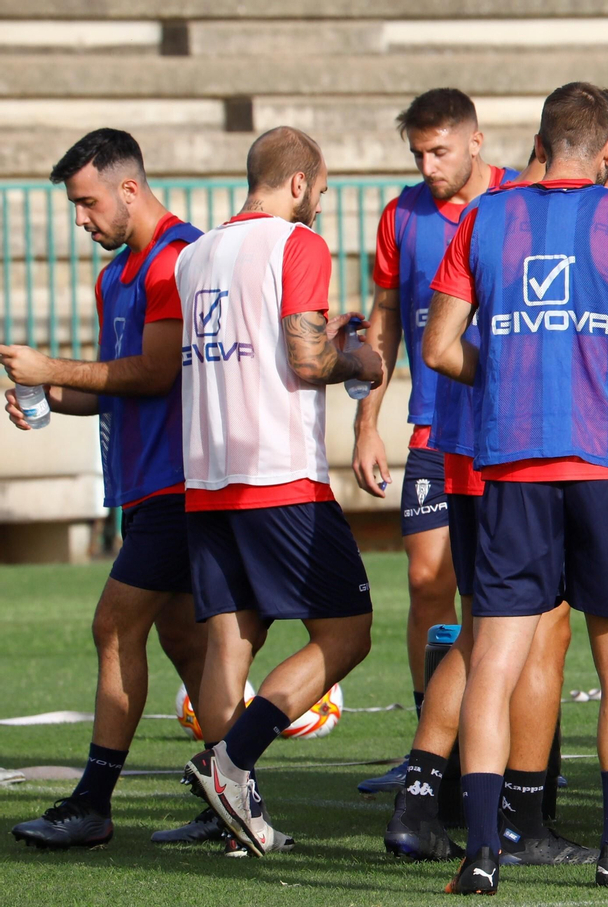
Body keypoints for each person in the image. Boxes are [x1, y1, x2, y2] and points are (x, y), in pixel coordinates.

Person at [423, 81, 608, 893]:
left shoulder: (485, 217)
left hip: (512, 463)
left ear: (543, 140)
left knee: (494, 661)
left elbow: (438, 348)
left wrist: (505, 371)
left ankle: (480, 854)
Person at [384, 137, 597, 868]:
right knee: (528, 634)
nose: (606, 182)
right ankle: (520, 815)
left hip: (473, 444)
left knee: (489, 634)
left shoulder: (486, 216)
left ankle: (422, 798)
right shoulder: (515, 220)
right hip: (505, 450)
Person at [175, 126, 383, 857]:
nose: (321, 205)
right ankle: (230, 762)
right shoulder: (296, 245)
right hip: (278, 474)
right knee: (347, 631)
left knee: (230, 643)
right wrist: (358, 353)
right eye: (321, 191)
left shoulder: (192, 254)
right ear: (298, 183)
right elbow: (305, 355)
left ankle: (233, 817)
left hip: (207, 475)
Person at [4, 129, 211, 850]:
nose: (82, 219)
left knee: (114, 625)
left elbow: (157, 372)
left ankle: (92, 803)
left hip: (182, 483)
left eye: (88, 202)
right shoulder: (114, 275)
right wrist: (53, 391)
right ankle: (233, 793)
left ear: (129, 188)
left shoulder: (177, 260)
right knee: (186, 641)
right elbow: (117, 383)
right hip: (144, 483)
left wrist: (52, 363)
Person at [349, 88, 520, 796]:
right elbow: (385, 321)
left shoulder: (521, 201)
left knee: (510, 599)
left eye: (440, 150)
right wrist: (365, 420)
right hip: (434, 428)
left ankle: (521, 749)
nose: (428, 165)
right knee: (428, 581)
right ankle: (432, 744)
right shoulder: (401, 215)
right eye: (417, 152)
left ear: (476, 143)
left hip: (509, 430)